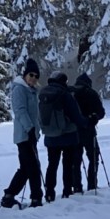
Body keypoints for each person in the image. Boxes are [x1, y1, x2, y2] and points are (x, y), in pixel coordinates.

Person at [0, 57, 43, 208]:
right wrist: (29, 128)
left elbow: (35, 114)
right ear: (25, 75)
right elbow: (20, 111)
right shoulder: (19, 89)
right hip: (24, 135)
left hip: (31, 135)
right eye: (31, 75)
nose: (33, 78)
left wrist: (37, 130)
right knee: (33, 167)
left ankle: (9, 195)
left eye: (36, 76)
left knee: (26, 168)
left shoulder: (32, 91)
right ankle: (36, 198)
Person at [38, 72, 86, 201]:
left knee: (52, 165)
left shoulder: (43, 93)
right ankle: (67, 191)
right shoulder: (65, 94)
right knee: (67, 164)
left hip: (50, 136)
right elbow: (75, 115)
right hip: (68, 135)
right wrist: (86, 123)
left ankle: (49, 193)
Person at [72, 72, 106, 192]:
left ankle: (76, 186)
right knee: (93, 158)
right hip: (89, 131)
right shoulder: (91, 93)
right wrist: (94, 117)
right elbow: (101, 112)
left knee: (76, 160)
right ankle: (92, 185)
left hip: (74, 131)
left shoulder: (72, 93)